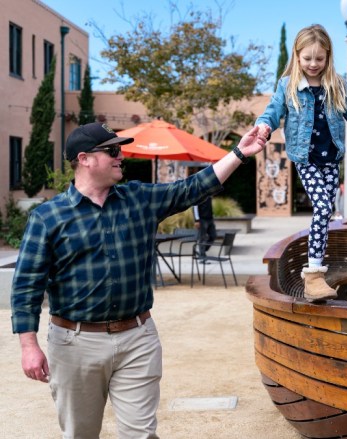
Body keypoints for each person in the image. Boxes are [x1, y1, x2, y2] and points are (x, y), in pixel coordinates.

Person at [11, 121, 268, 438]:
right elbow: (26, 286)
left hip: (137, 338)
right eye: (113, 150)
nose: (121, 157)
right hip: (75, 344)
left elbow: (193, 188)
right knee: (80, 433)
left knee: (141, 434)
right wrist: (28, 346)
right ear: (85, 159)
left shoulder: (139, 199)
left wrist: (240, 153)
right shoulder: (48, 217)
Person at [255, 24, 347, 302]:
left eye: (320, 58)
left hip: (331, 161)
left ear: (328, 57)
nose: (313, 64)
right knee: (323, 206)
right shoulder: (288, 85)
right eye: (307, 59)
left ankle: (320, 268)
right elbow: (272, 112)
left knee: (325, 215)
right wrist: (263, 127)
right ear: (297, 56)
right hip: (306, 160)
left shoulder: (337, 85)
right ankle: (313, 276)